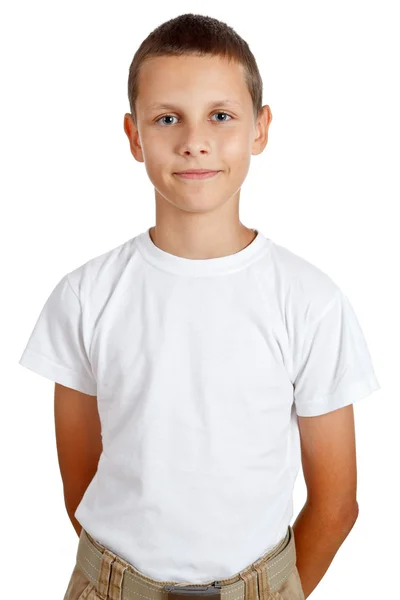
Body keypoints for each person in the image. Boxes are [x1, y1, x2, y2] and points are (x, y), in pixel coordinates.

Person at [18, 13, 380, 600]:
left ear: (260, 129)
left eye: (221, 116)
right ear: (135, 136)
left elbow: (336, 503)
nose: (194, 141)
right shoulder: (86, 295)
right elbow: (80, 488)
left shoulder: (310, 301)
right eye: (167, 119)